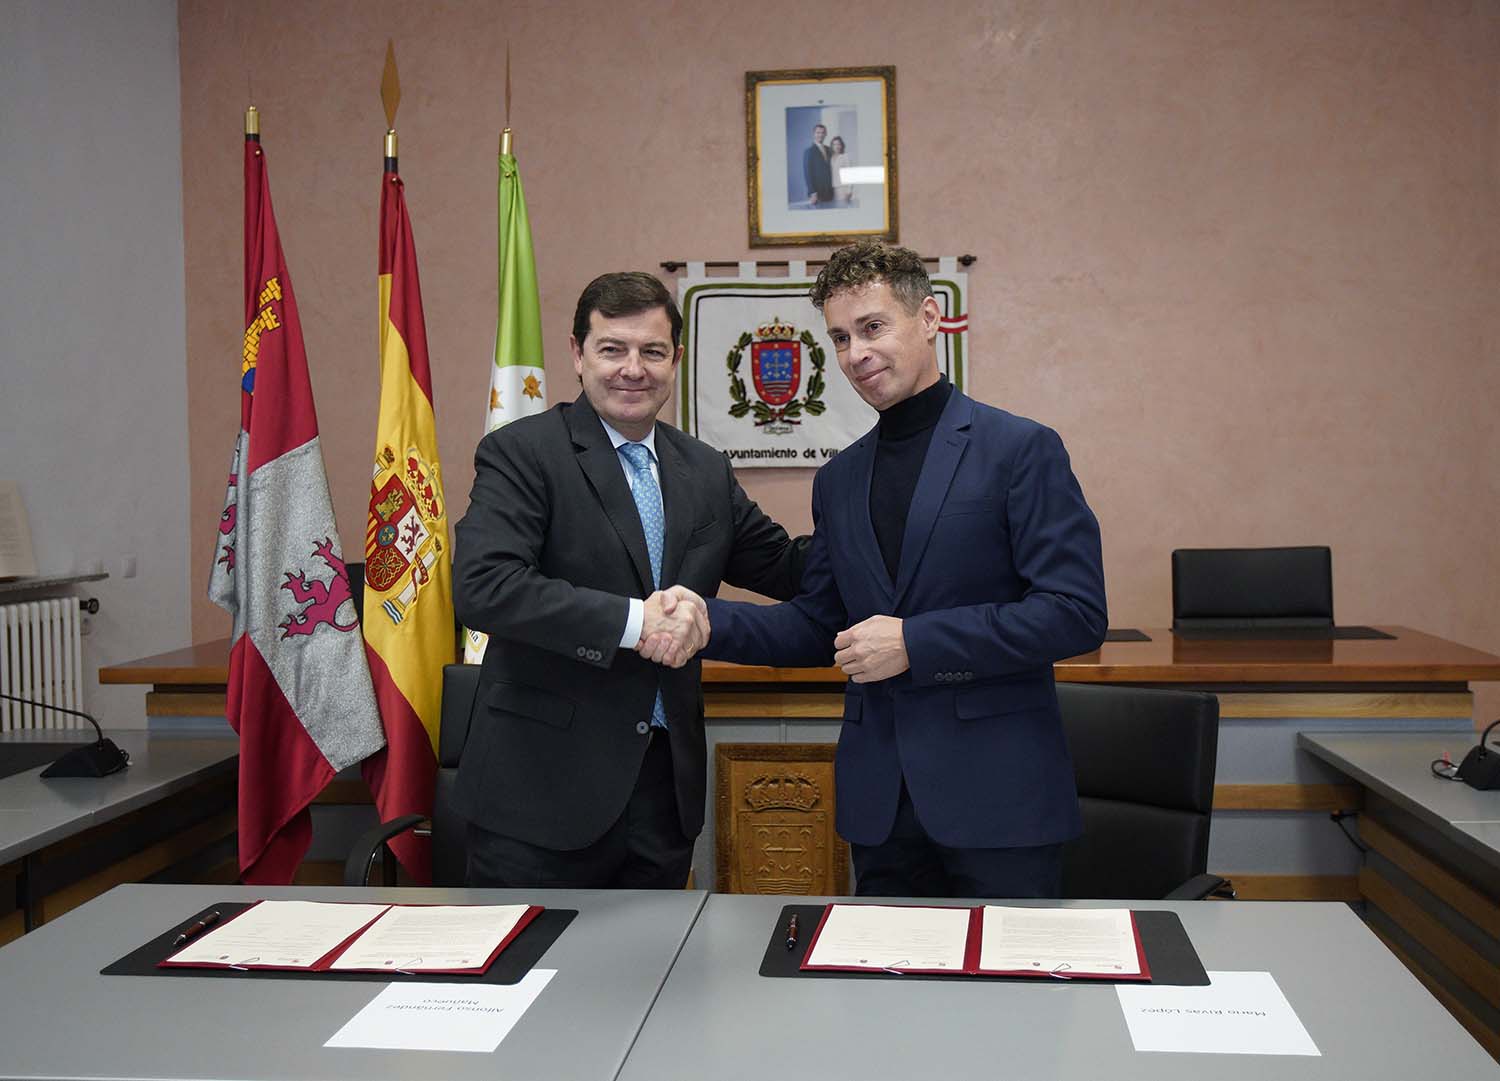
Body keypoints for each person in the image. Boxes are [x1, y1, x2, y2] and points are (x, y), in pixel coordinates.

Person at [649, 241, 1106, 898]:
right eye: (839, 337)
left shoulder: (1020, 450)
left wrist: (915, 642)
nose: (855, 353)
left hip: (1000, 804)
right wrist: (704, 618)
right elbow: (821, 625)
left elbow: (1076, 613)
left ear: (929, 319)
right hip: (881, 811)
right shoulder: (839, 479)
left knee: (1011, 1001)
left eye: (872, 327)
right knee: (885, 999)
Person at [452, 271, 808, 889]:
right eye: (612, 349)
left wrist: (876, 504)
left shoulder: (703, 468)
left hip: (662, 798)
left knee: (656, 978)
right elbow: (486, 586)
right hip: (540, 797)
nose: (632, 369)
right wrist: (636, 620)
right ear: (577, 354)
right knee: (535, 980)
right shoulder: (523, 452)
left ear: (675, 357)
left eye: (650, 351)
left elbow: (788, 569)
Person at [802, 122, 834, 207]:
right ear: (814, 134)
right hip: (817, 193)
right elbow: (807, 173)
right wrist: (812, 192)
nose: (820, 135)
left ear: (826, 134)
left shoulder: (829, 149)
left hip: (830, 191)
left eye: (823, 132)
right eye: (818, 133)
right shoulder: (809, 151)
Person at [828, 135, 853, 205]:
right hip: (833, 189)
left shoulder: (845, 157)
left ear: (842, 146)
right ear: (832, 146)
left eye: (839, 144)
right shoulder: (831, 158)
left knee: (843, 207)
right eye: (834, 144)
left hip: (843, 188)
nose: (837, 146)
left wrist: (849, 191)